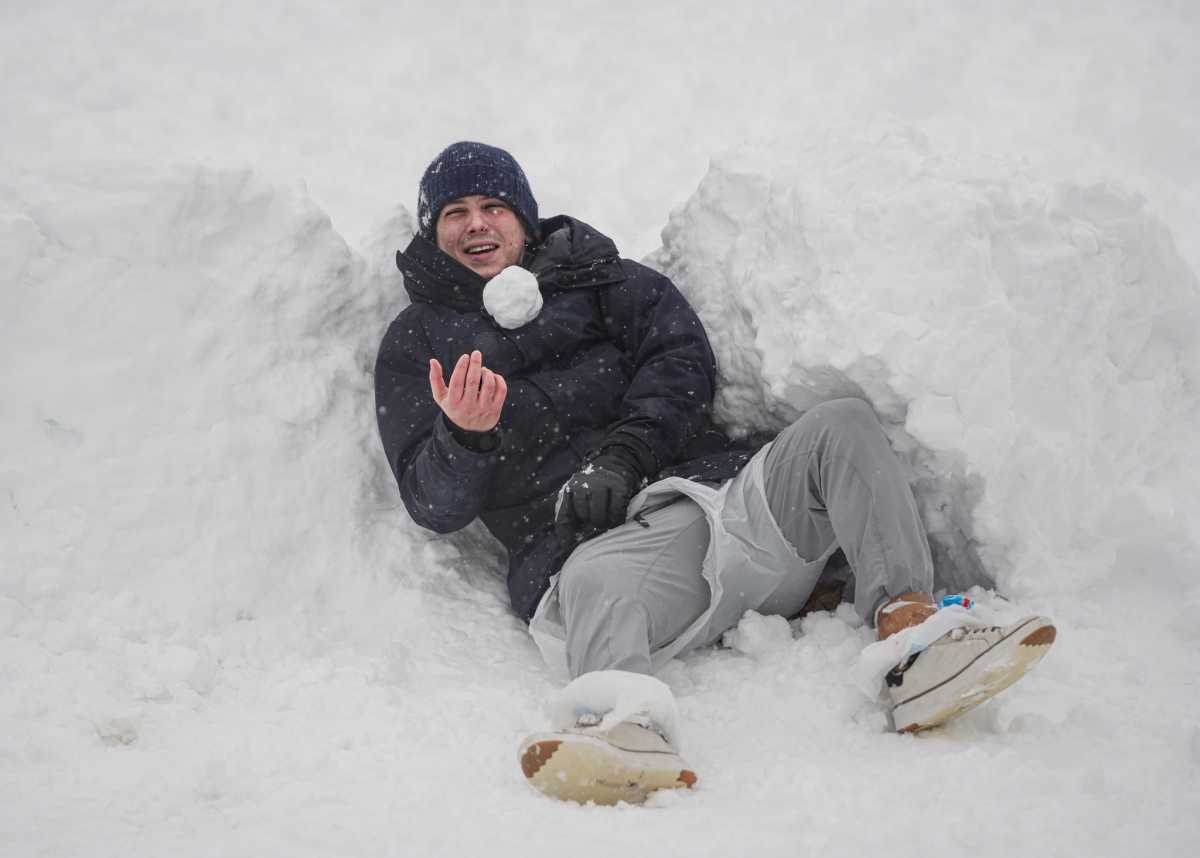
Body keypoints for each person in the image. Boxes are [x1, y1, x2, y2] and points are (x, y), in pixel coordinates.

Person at [374, 142, 1056, 805]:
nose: (476, 223)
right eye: (454, 212)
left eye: (493, 205)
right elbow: (433, 504)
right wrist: (464, 436)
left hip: (726, 501)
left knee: (842, 424)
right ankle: (623, 729)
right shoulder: (417, 341)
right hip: (613, 560)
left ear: (523, 217)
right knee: (592, 577)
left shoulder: (605, 279)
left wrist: (624, 456)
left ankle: (911, 640)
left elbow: (681, 366)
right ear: (435, 233)